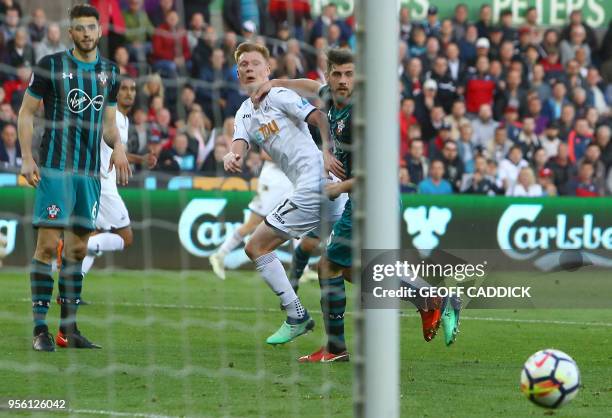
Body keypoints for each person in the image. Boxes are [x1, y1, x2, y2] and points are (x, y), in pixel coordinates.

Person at [17, 4, 130, 352]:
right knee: (48, 246)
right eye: (80, 28)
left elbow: (109, 124)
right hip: (54, 168)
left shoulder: (110, 72)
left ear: (99, 31)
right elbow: (25, 113)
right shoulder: (50, 66)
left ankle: (69, 330)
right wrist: (26, 157)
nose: (86, 34)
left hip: (89, 175)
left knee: (78, 249)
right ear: (71, 33)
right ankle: (40, 330)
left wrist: (119, 147)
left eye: (91, 28)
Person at [224, 42, 345, 346]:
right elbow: (239, 143)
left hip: (314, 182)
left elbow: (318, 117)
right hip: (323, 189)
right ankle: (428, 297)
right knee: (345, 265)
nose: (249, 68)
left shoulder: (278, 94)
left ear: (268, 69)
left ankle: (296, 315)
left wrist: (327, 152)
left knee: (256, 247)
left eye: (255, 63)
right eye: (243, 65)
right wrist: (232, 155)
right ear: (238, 73)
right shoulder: (244, 113)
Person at [81, 77, 157, 276]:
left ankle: (71, 291)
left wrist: (140, 159)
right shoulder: (110, 115)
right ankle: (75, 245)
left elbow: (117, 151)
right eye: (124, 89)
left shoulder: (122, 118)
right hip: (103, 184)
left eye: (132, 88)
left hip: (97, 182)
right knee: (126, 237)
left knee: (98, 235)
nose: (129, 92)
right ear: (115, 92)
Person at [209, 151, 293, 280]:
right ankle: (220, 255)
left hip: (289, 182)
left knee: (296, 223)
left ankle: (302, 269)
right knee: (253, 224)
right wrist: (289, 156)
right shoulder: (276, 131)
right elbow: (264, 154)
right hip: (272, 183)